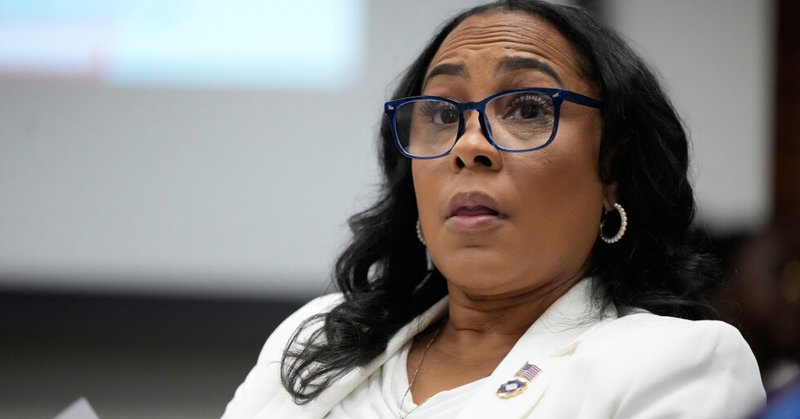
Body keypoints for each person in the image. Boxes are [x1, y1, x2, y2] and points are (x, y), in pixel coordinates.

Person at [222, 1, 766, 418]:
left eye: (528, 107)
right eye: (440, 112)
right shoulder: (321, 336)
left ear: (613, 168)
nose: (467, 146)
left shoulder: (680, 361)